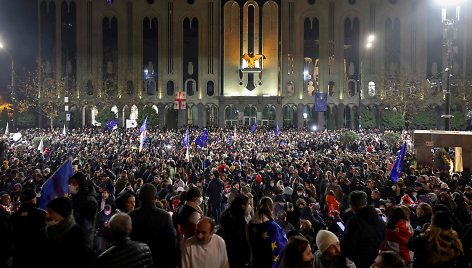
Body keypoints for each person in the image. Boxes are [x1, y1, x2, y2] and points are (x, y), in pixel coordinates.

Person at [129, 183, 177, 268]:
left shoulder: (131, 216)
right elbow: (171, 243)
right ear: (156, 198)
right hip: (160, 261)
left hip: (137, 262)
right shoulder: (164, 216)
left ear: (139, 198)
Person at [37, 197, 93, 268]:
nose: (47, 215)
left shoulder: (78, 235)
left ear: (63, 214)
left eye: (51, 212)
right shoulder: (43, 233)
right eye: (47, 212)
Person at [341, 191, 385, 268]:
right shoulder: (379, 219)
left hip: (360, 263)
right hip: (376, 261)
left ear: (351, 205)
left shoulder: (354, 222)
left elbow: (347, 248)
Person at [10, 189, 46, 268]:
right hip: (37, 256)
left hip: (18, 256)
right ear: (33, 199)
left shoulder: (13, 217)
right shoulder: (42, 215)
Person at [248, 196, 287, 268]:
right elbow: (282, 244)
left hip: (255, 261)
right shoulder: (273, 227)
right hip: (268, 262)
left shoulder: (251, 224)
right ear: (271, 208)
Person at [219, 194, 251, 268]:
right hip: (236, 255)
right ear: (242, 206)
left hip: (227, 253)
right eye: (248, 204)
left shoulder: (228, 214)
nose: (249, 206)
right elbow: (241, 239)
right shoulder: (237, 219)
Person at [69, 171, 98, 250]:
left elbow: (86, 225)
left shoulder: (90, 202)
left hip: (82, 244)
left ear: (80, 184)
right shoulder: (75, 197)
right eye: (70, 183)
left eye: (74, 183)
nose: (71, 186)